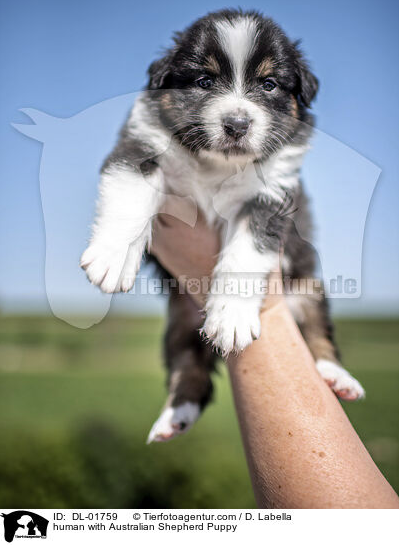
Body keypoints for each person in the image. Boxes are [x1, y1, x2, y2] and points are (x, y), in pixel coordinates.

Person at [151, 211, 399, 509]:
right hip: (188, 283)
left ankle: (326, 359)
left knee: (309, 297)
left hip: (284, 271)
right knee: (183, 332)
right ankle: (185, 396)